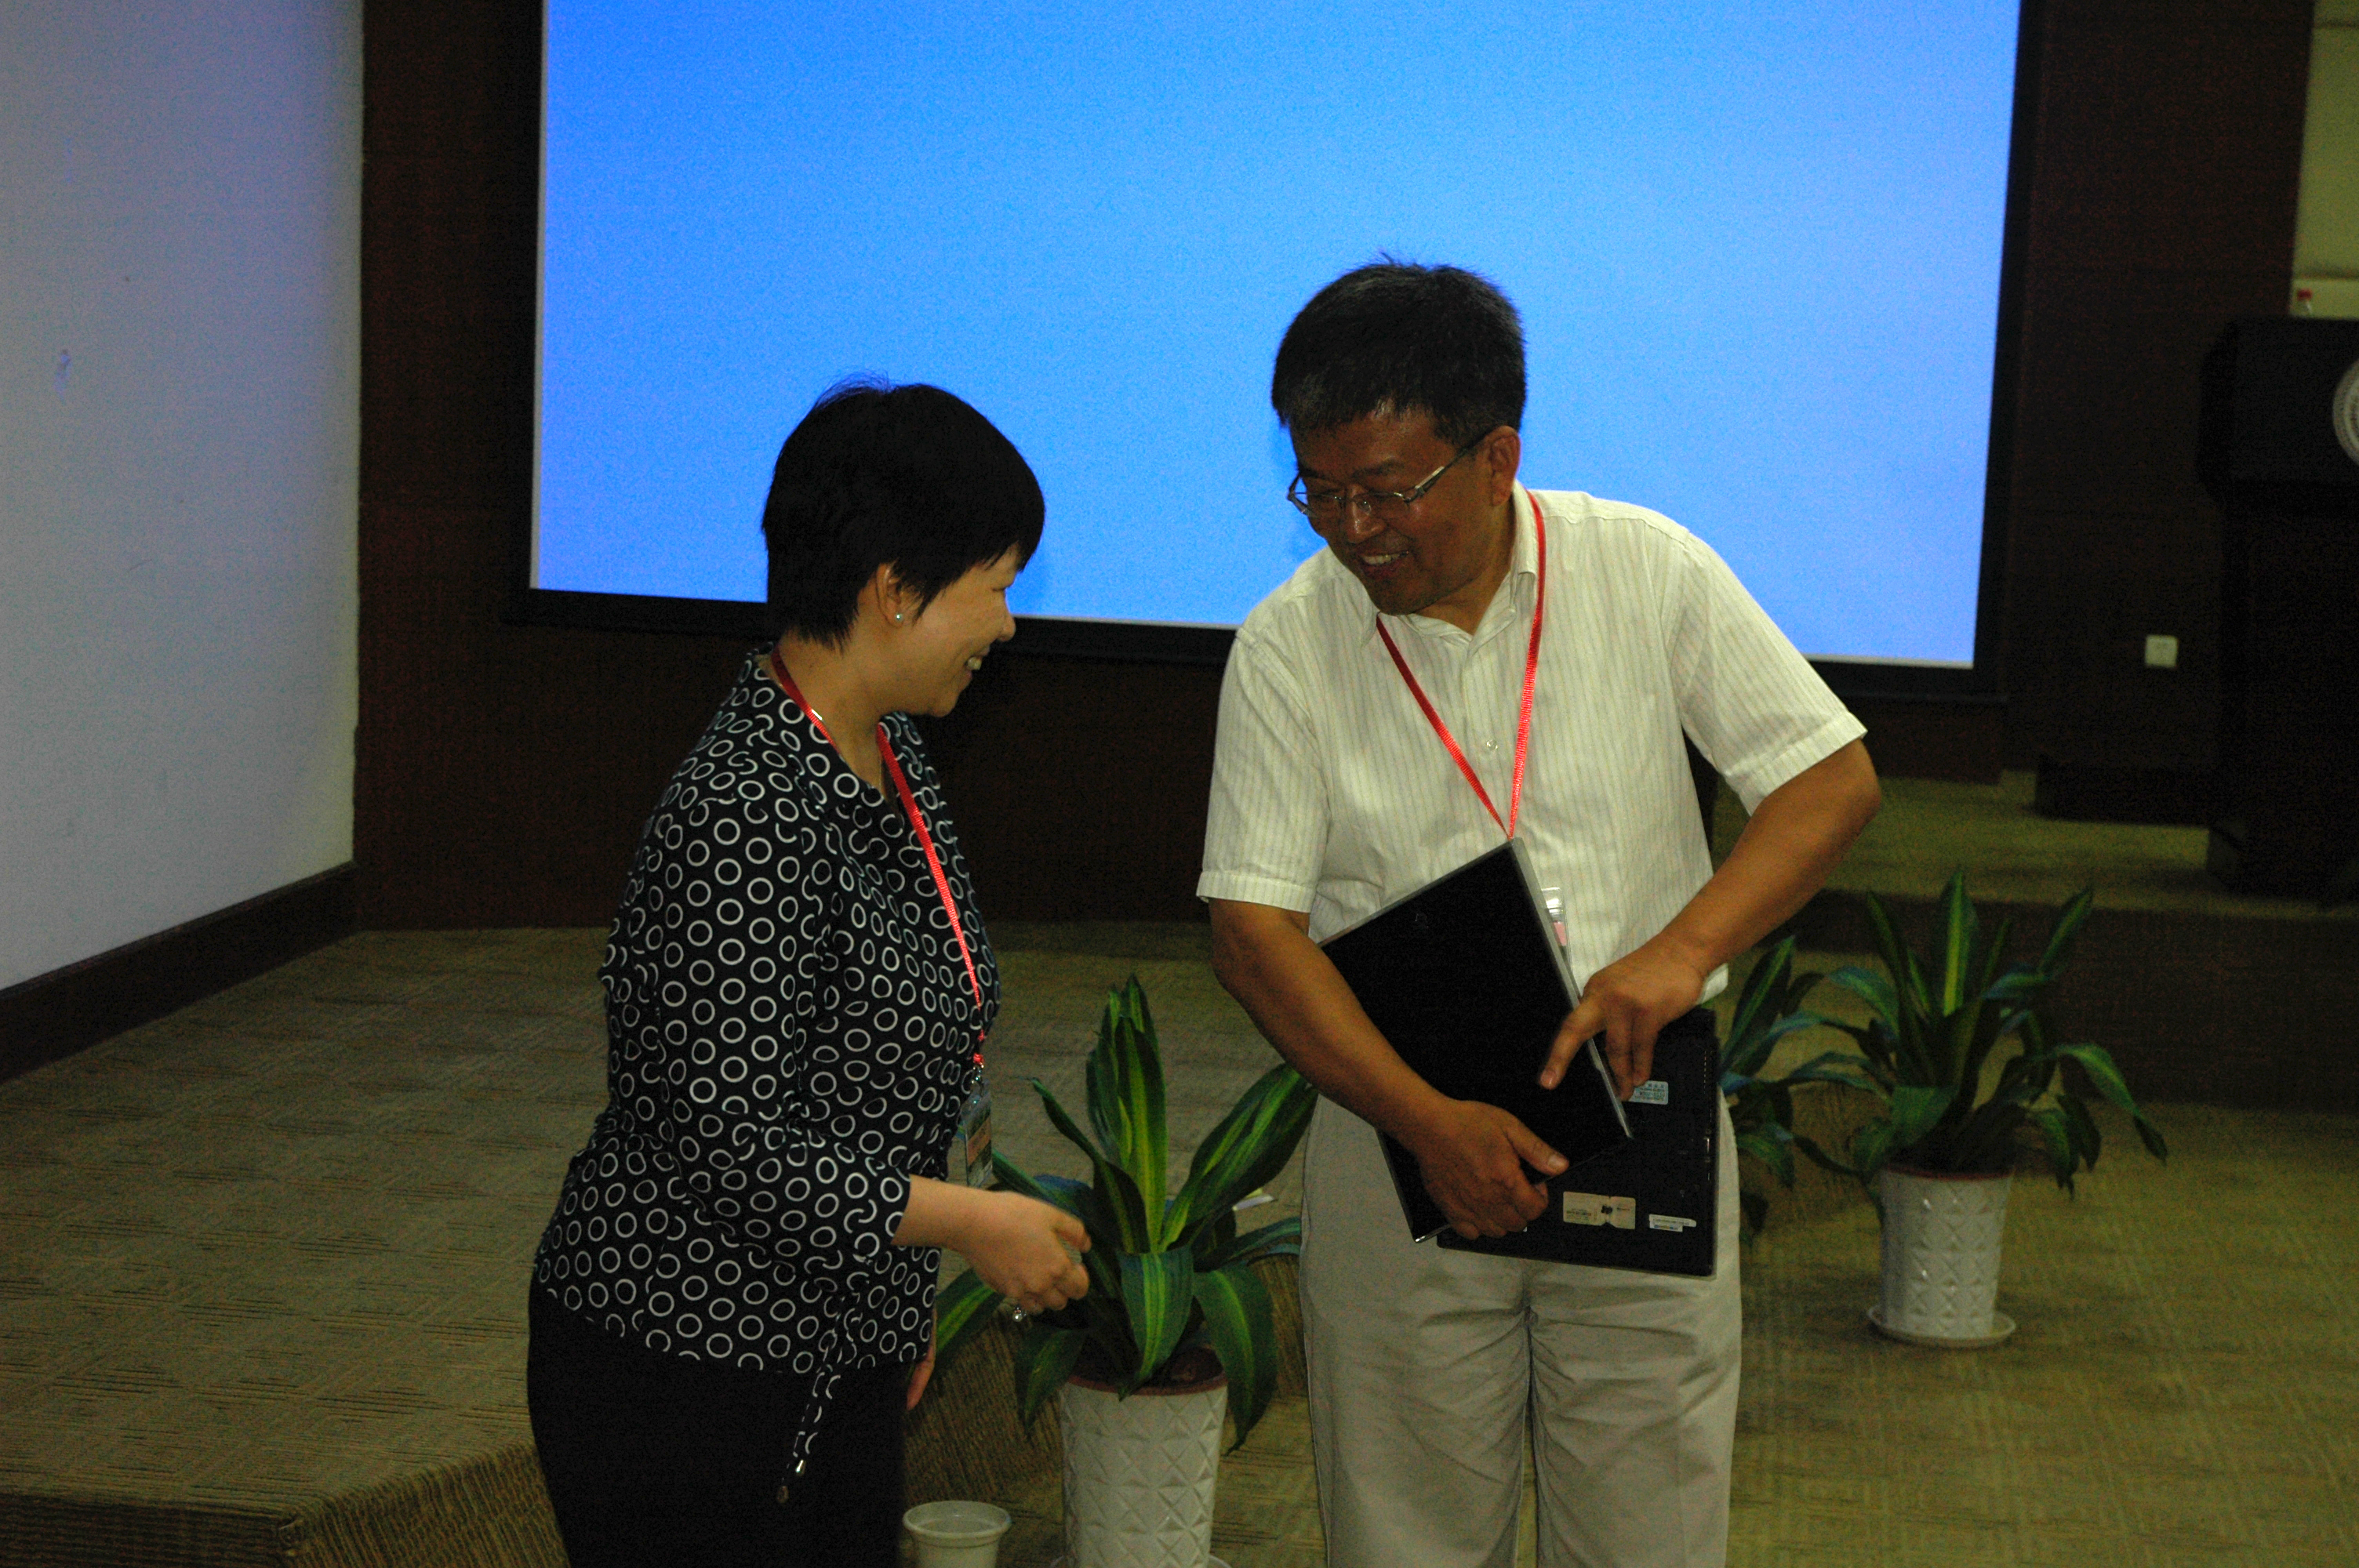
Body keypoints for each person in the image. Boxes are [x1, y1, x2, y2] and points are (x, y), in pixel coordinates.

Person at [1200, 263, 1883, 1568]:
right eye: (1320, 492)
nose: (1353, 529)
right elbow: (1251, 934)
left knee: (1648, 1524)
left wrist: (1681, 954)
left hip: (1640, 1100)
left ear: (1496, 453)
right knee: (1402, 1530)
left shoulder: (1645, 569)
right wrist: (1427, 1122)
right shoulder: (1290, 645)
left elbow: (1828, 781)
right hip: (1397, 1130)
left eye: (1387, 489)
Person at [526, 381, 1092, 1567]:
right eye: (995, 585)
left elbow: (899, 1063)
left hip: (836, 1335)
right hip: (686, 1358)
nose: (1007, 625)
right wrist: (969, 1223)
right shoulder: (745, 809)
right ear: (894, 589)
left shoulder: (889, 749)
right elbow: (721, 1142)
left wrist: (899, 1303)